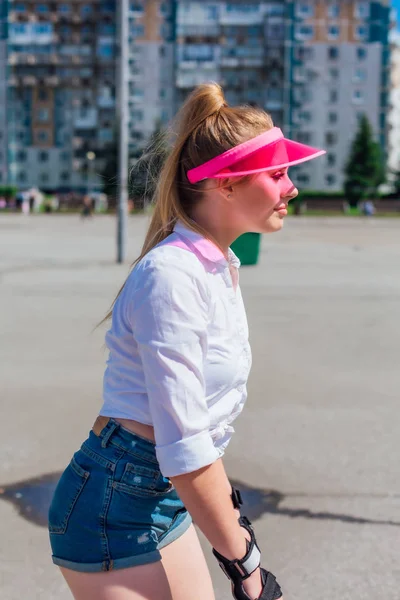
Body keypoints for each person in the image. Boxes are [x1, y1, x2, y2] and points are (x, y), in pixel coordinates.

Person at [48, 83, 326, 600]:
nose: (291, 188)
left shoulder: (216, 265)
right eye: (278, 173)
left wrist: (237, 540)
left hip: (162, 495)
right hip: (114, 505)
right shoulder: (172, 277)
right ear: (224, 184)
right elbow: (184, 444)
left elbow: (197, 438)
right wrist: (246, 562)